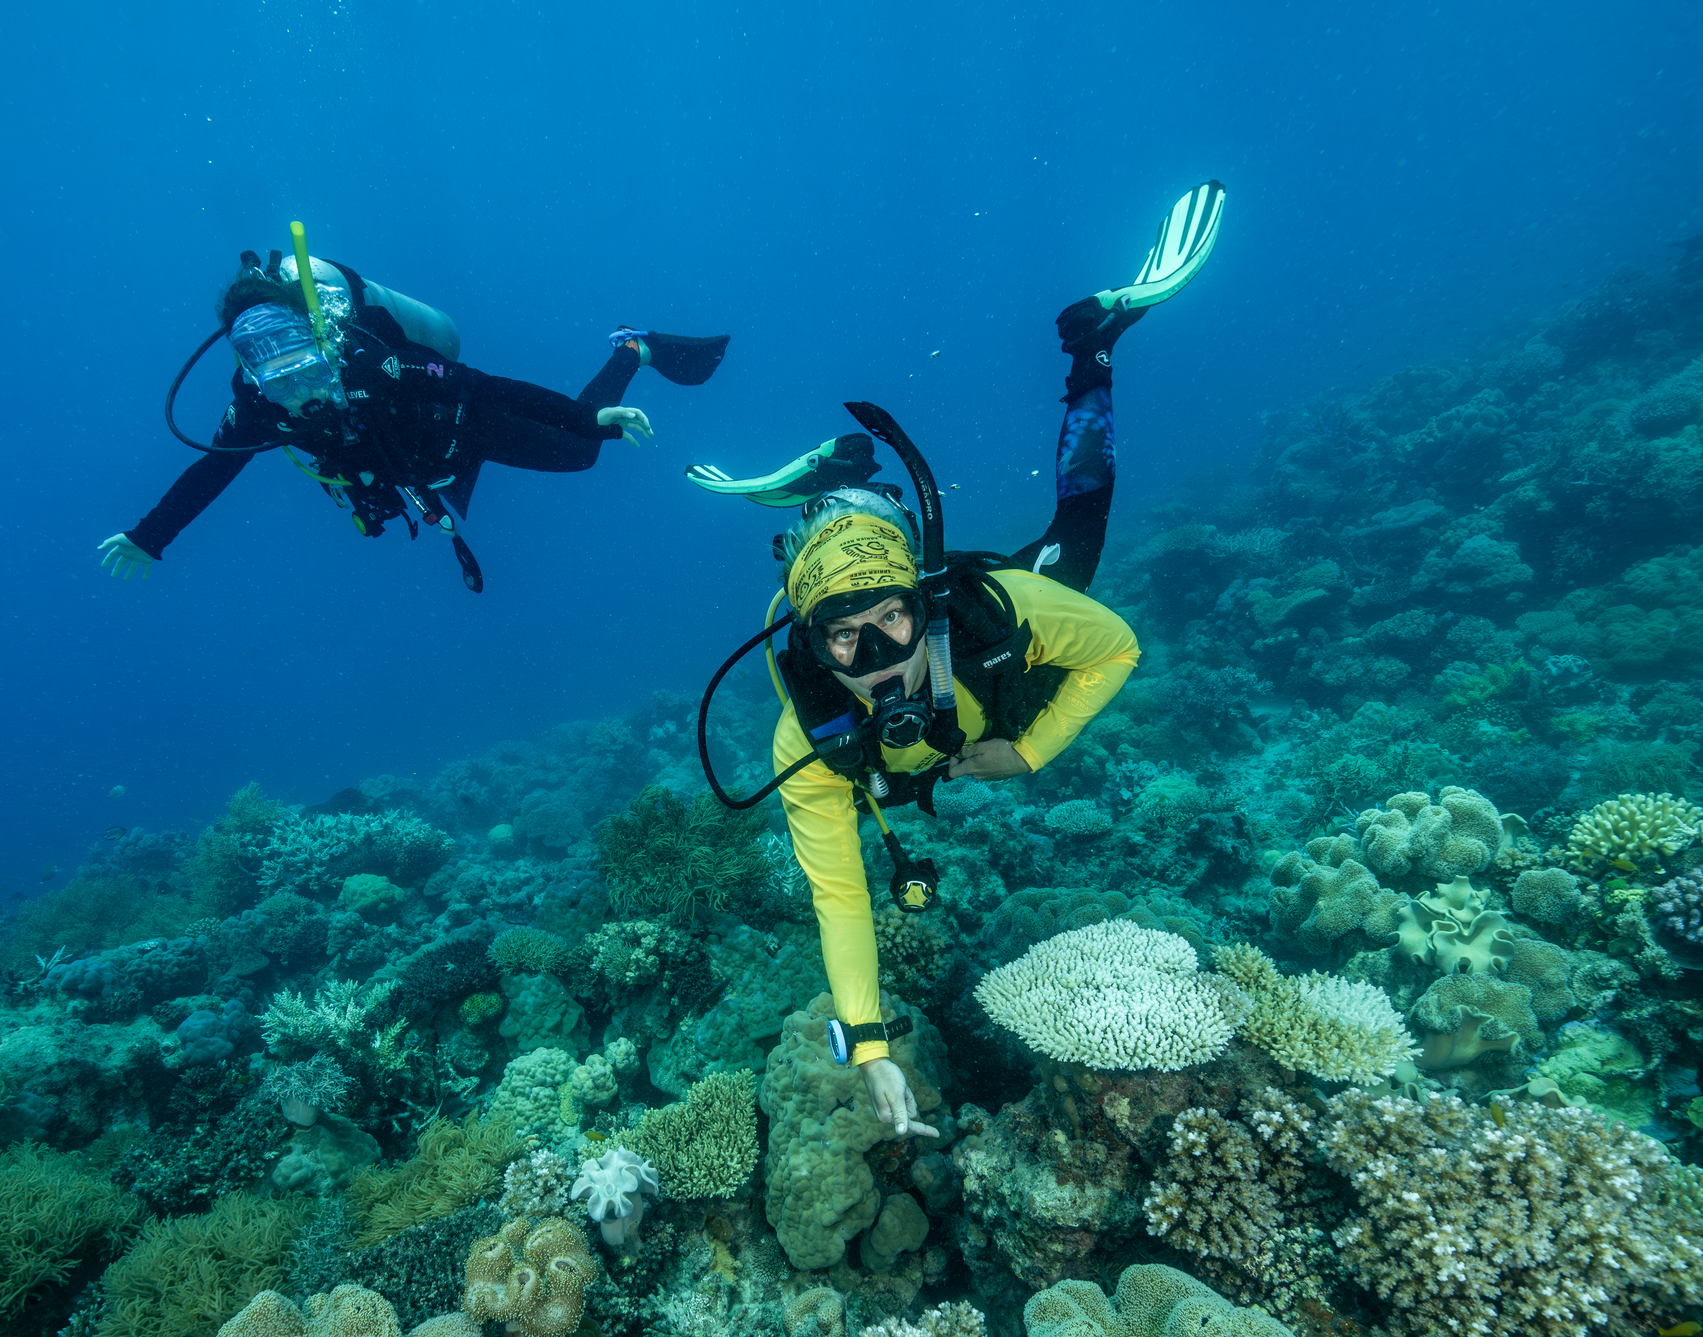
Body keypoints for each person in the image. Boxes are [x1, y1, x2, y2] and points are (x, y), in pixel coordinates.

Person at [688, 182, 1226, 1138]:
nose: (874, 660)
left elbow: (1118, 649)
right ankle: (833, 482)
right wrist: (872, 1045)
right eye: (840, 639)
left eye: (892, 623)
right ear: (807, 645)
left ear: (923, 605)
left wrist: (1030, 749)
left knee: (1081, 521)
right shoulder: (806, 739)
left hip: (998, 655)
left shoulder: (998, 614)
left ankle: (1094, 346)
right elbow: (840, 895)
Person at [101, 244, 728, 592]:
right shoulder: (259, 405)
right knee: (584, 444)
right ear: (252, 370)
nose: (299, 393)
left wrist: (584, 420)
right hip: (410, 467)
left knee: (586, 451)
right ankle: (619, 369)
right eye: (280, 380)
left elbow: (485, 386)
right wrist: (151, 535)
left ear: (323, 347)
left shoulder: (372, 362)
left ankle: (631, 348)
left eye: (308, 370)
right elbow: (213, 472)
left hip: (462, 424)